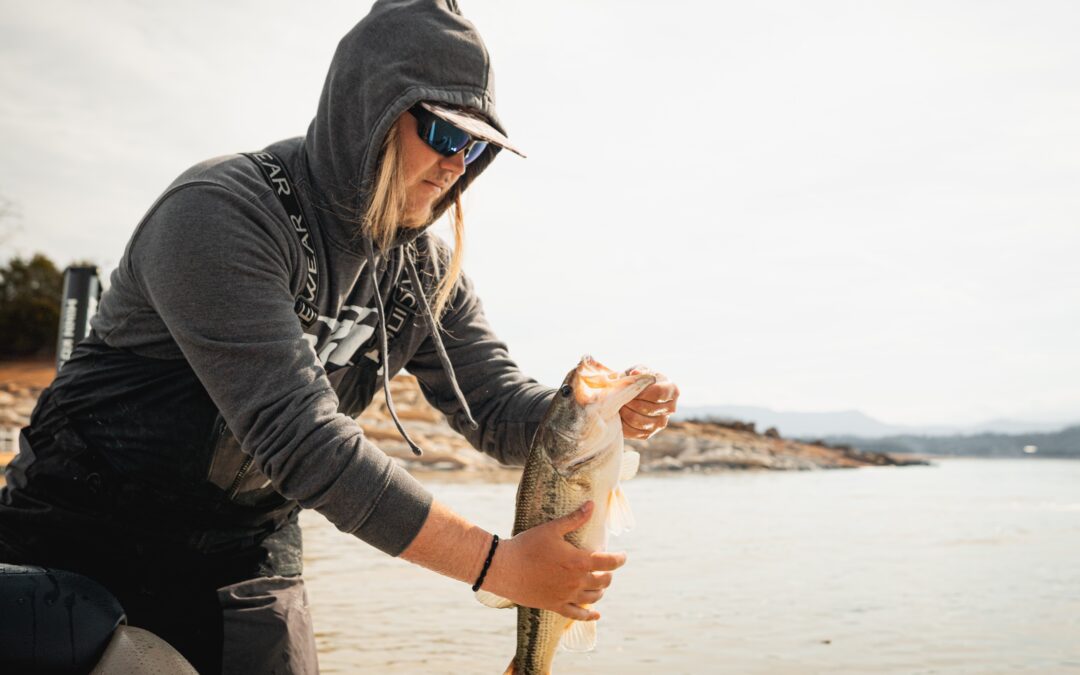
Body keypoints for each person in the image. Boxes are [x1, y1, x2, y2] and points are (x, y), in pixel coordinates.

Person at [0, 1, 679, 673]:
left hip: (245, 549)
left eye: (476, 147)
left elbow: (498, 410)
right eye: (445, 134)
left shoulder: (424, 272)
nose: (457, 165)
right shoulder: (220, 213)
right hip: (82, 538)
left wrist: (587, 415)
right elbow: (302, 438)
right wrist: (497, 566)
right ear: (371, 110)